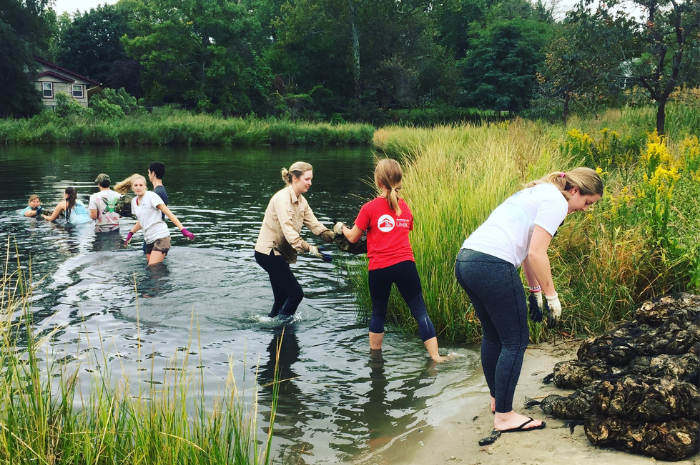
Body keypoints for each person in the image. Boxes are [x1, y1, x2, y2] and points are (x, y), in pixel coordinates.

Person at [453, 167, 603, 435]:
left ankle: (498, 401)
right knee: (516, 341)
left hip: (467, 260)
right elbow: (536, 253)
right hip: (492, 264)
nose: (585, 209)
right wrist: (551, 298)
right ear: (576, 191)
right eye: (587, 203)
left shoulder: (538, 193)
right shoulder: (557, 201)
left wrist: (534, 291)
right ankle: (505, 416)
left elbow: (525, 251)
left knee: (494, 336)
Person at [339, 158, 446, 362]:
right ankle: (436, 357)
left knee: (379, 314)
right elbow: (402, 230)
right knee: (420, 312)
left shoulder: (369, 208)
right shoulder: (405, 207)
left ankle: (375, 363)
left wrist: (342, 228)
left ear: (379, 181)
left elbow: (353, 237)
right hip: (406, 265)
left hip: (379, 268)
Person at [254, 161, 335, 319]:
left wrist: (335, 236)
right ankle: (282, 330)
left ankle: (272, 325)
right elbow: (289, 232)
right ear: (294, 178)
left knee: (282, 298)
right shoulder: (282, 199)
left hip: (279, 254)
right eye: (307, 179)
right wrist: (310, 248)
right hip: (268, 253)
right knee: (296, 294)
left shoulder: (302, 201)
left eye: (311, 179)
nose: (310, 183)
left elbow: (315, 225)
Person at [123, 174, 195, 265]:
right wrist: (131, 233)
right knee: (151, 269)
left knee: (153, 268)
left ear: (145, 186)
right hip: (149, 239)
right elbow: (142, 220)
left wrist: (183, 230)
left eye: (141, 185)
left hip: (161, 237)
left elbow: (168, 213)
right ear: (132, 187)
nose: (138, 188)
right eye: (135, 185)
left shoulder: (151, 196)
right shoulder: (134, 202)